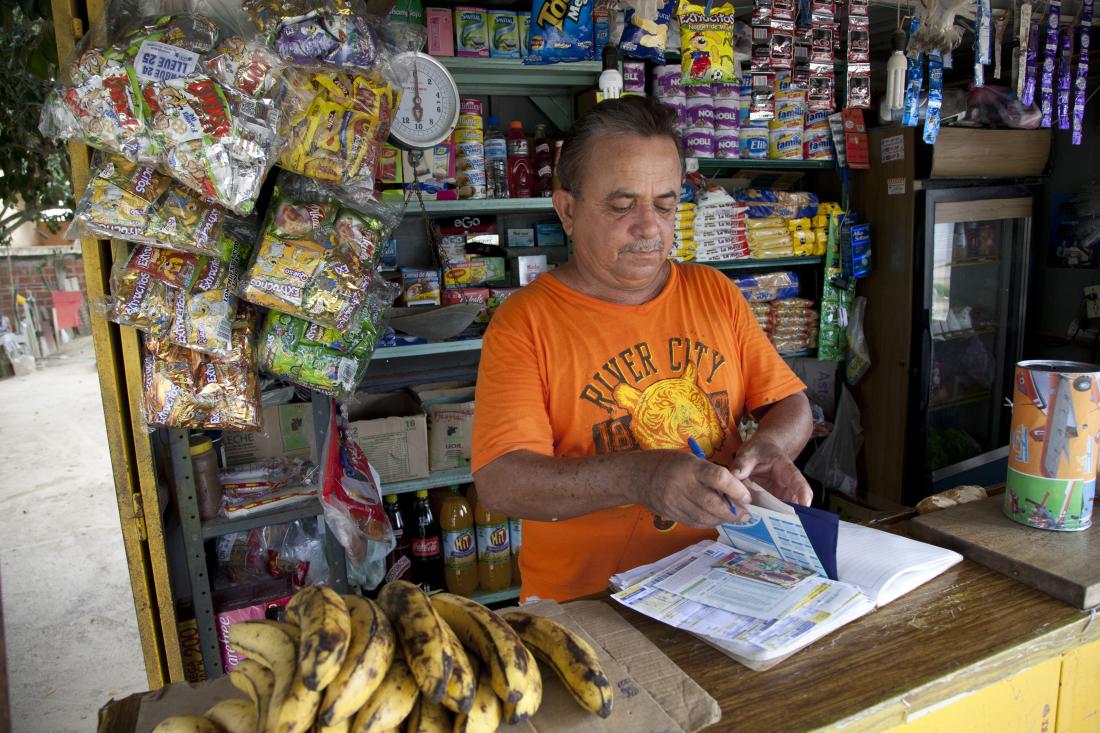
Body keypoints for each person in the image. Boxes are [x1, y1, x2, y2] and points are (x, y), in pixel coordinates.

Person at [471, 95, 814, 602]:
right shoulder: (526, 321)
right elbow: (502, 481)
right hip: (592, 607)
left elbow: (791, 404)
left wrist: (770, 448)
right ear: (567, 209)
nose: (650, 226)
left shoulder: (714, 292)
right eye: (622, 204)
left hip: (728, 583)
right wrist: (641, 477)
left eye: (666, 204)